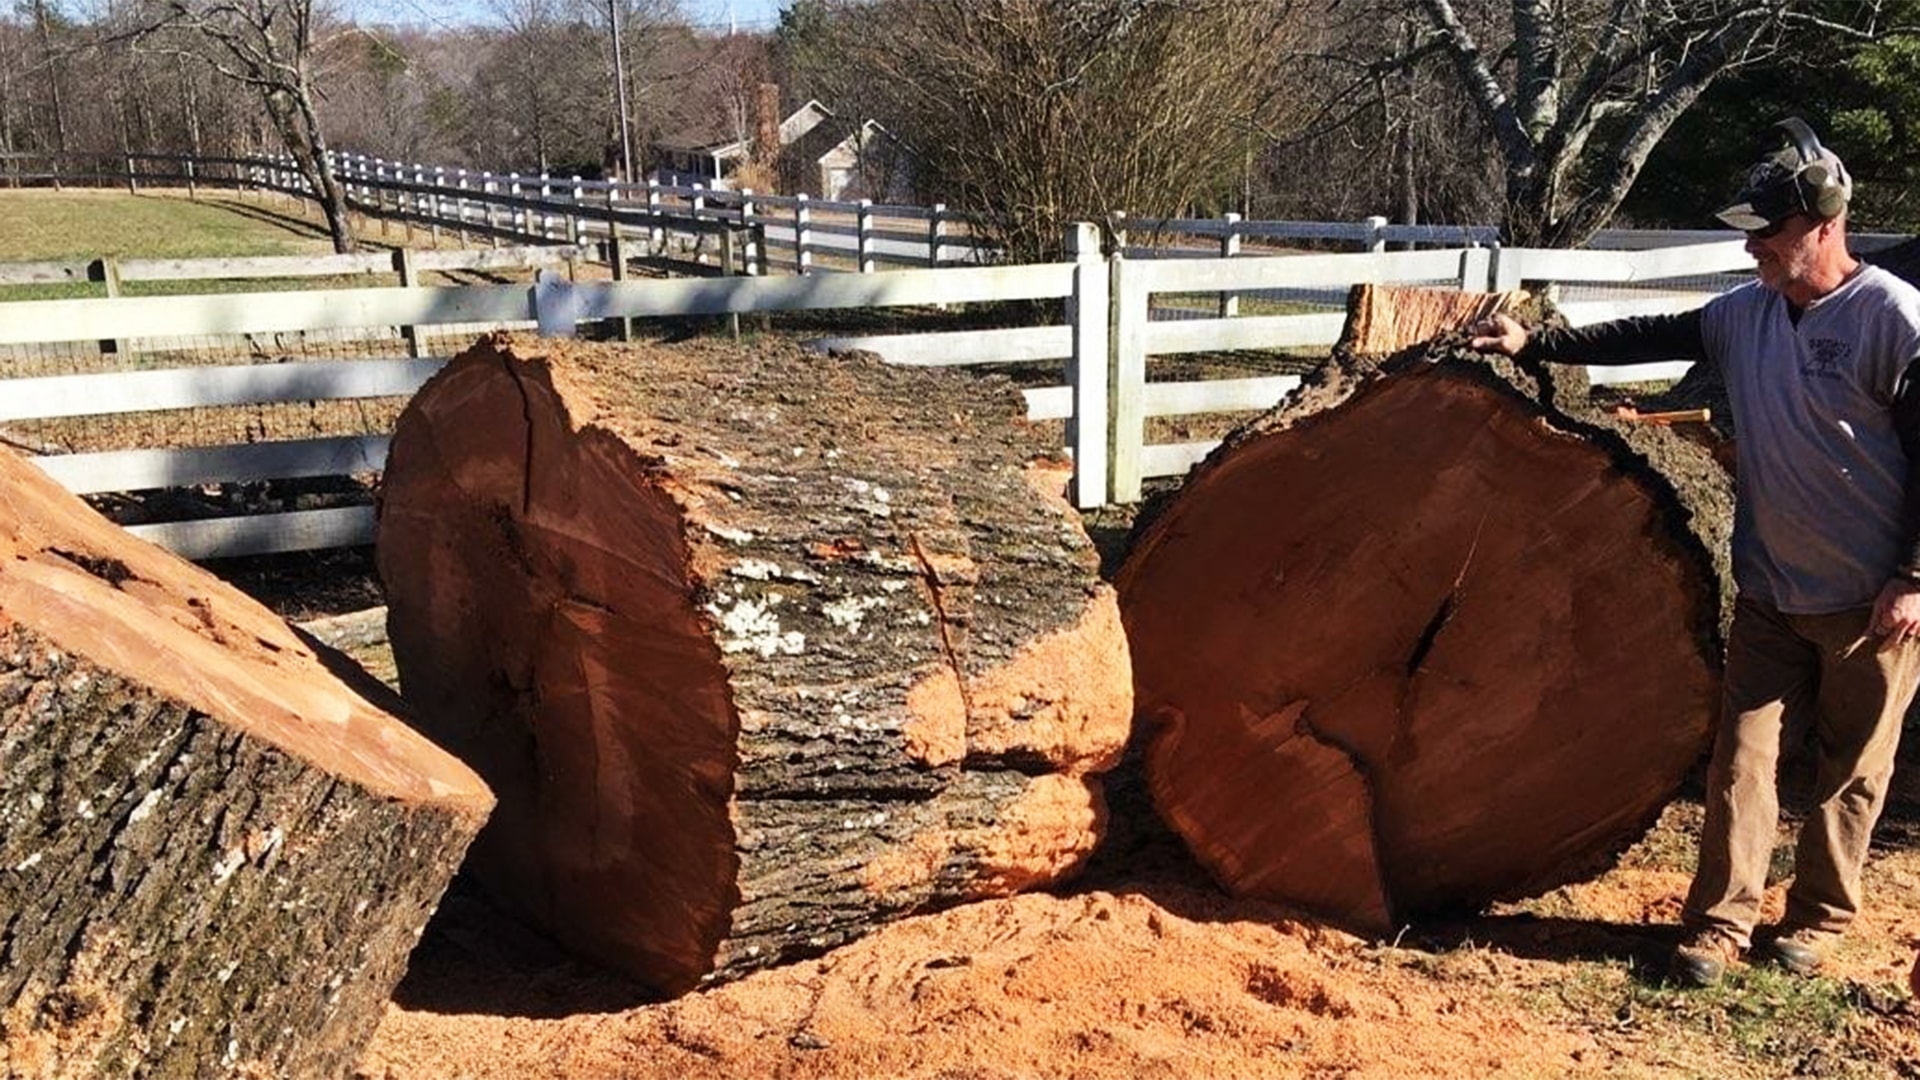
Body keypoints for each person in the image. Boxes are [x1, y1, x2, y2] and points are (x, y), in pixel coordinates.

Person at [1469, 118, 1920, 987]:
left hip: (1873, 599)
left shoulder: (1893, 320)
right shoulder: (1744, 315)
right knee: (1741, 762)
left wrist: (1913, 576)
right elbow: (1647, 334)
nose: (1753, 247)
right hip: (1769, 590)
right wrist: (1539, 344)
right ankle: (1720, 924)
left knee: (1850, 769)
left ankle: (1820, 918)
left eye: (1769, 232)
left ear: (1824, 226)